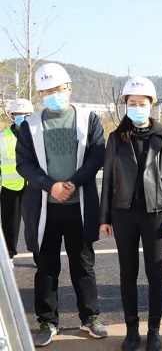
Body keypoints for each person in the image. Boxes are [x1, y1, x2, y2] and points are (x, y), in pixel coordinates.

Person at [16, 62, 108, 347]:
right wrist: (50, 186)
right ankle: (47, 321)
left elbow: (98, 154)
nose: (53, 95)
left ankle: (90, 317)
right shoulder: (30, 125)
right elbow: (23, 164)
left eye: (57, 89)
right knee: (46, 267)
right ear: (39, 94)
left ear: (69, 88)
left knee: (84, 265)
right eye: (46, 91)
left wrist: (74, 182)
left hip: (79, 205)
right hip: (45, 208)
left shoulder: (88, 118)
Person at [99, 76, 162, 351]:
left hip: (155, 213)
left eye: (142, 103)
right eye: (132, 103)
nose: (137, 107)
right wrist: (104, 217)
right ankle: (131, 329)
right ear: (125, 105)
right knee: (128, 272)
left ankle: (154, 329)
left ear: (151, 105)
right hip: (123, 212)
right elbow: (108, 180)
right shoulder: (116, 138)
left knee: (155, 271)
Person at [1, 98, 34, 268]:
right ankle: (9, 256)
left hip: (33, 187)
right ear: (13, 115)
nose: (23, 117)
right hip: (10, 188)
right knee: (10, 225)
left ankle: (39, 256)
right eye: (20, 114)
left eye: (27, 115)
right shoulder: (2, 137)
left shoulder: (37, 135)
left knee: (35, 225)